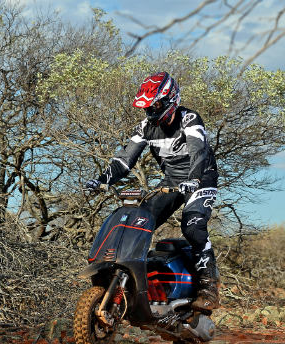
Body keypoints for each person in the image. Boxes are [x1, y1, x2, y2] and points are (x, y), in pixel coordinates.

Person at [85, 71, 220, 312]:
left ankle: (208, 287)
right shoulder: (146, 127)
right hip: (171, 180)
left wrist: (195, 179)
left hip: (201, 178)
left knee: (193, 225)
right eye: (148, 106)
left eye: (156, 104)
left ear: (170, 100)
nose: (151, 111)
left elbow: (198, 153)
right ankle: (140, 283)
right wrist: (101, 180)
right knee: (139, 221)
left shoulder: (189, 119)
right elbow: (125, 160)